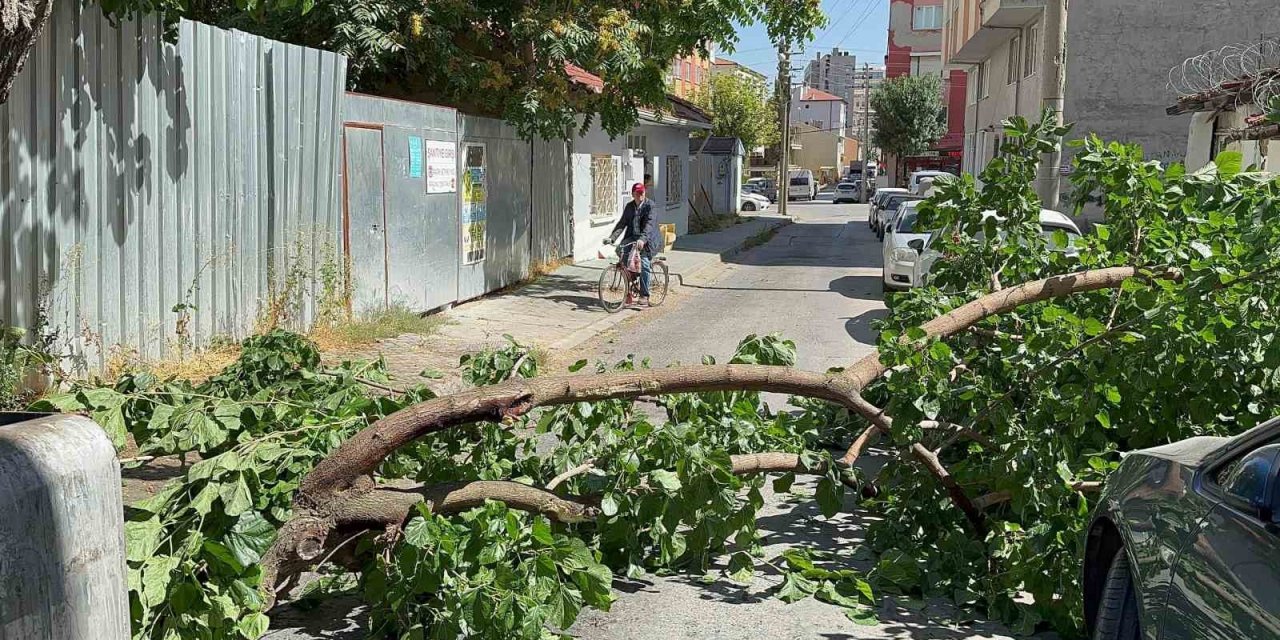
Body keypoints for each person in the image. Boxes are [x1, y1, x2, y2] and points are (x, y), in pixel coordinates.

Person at [607, 182, 662, 306]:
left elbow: (649, 225)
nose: (640, 194)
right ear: (633, 194)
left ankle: (644, 295)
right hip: (633, 237)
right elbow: (622, 223)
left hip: (649, 240)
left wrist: (642, 239)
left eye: (642, 192)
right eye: (637, 193)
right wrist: (612, 238)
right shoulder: (630, 207)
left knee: (645, 264)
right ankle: (630, 284)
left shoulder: (650, 206)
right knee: (620, 251)